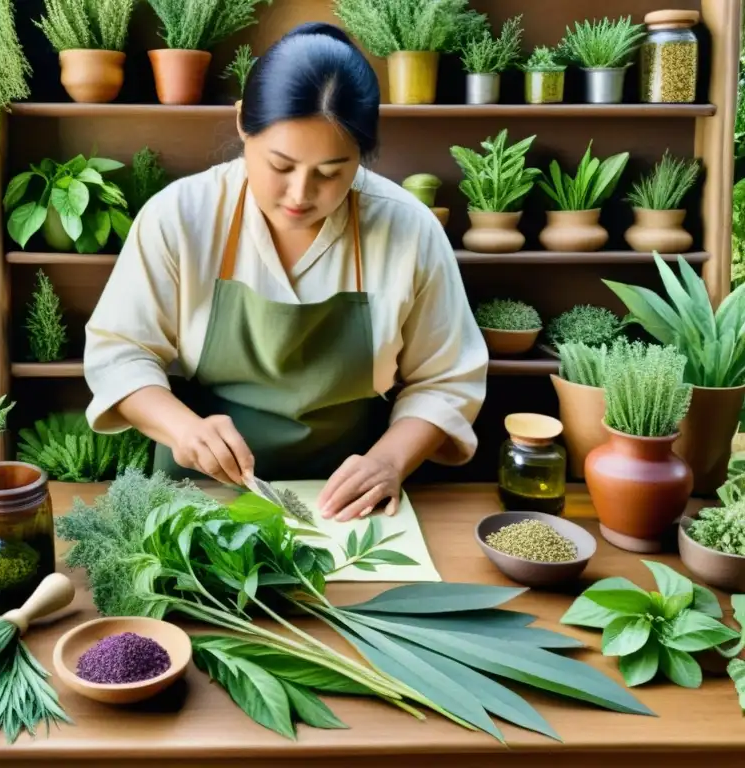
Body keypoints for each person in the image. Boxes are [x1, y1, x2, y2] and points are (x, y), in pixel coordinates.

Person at [83, 22, 489, 522]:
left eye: (331, 172)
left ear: (361, 155)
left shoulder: (409, 229)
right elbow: (120, 351)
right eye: (280, 165)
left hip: (349, 503)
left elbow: (445, 379)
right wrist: (184, 431)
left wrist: (389, 461)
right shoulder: (180, 216)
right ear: (241, 125)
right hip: (202, 494)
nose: (300, 194)